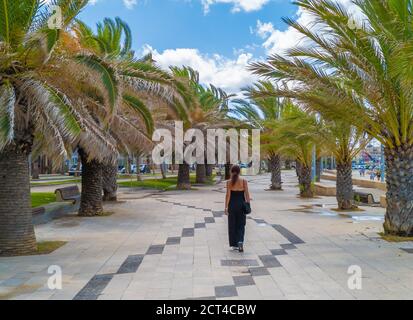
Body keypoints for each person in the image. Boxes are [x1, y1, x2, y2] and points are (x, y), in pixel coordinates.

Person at [225, 165, 251, 253]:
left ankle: (234, 245)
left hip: (232, 205)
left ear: (231, 172)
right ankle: (240, 241)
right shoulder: (244, 181)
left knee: (232, 225)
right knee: (241, 225)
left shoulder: (229, 182)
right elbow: (247, 194)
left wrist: (226, 207)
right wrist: (248, 205)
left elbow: (228, 195)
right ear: (239, 172)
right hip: (241, 205)